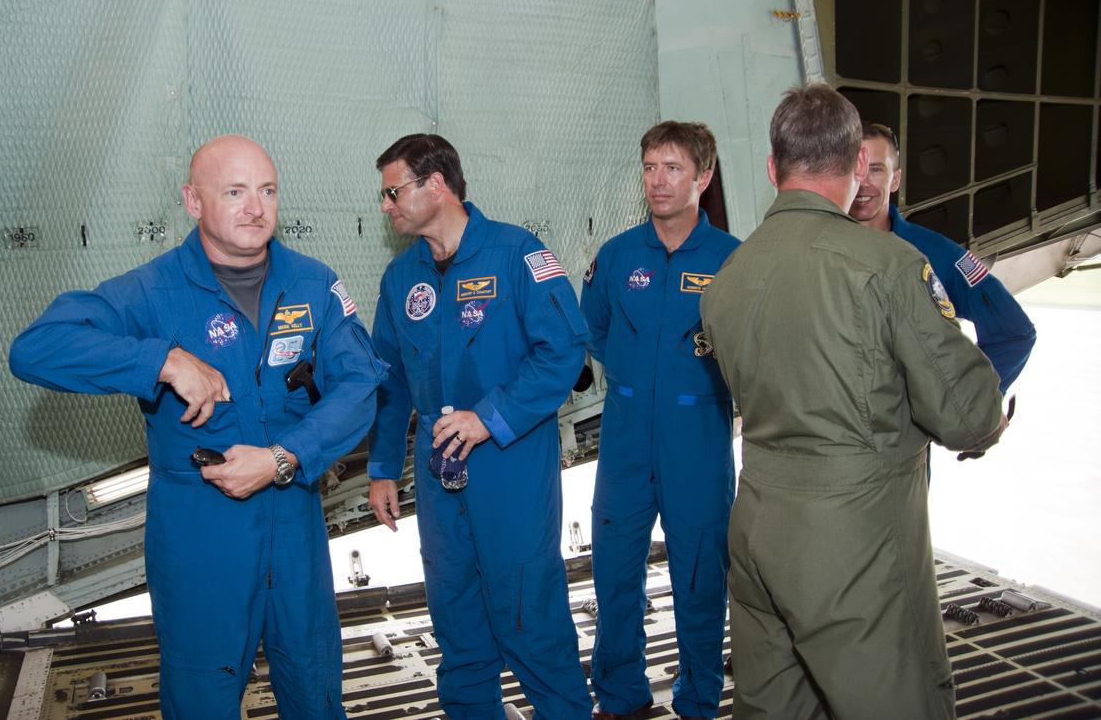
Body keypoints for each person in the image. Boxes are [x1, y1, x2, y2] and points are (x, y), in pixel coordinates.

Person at [10, 135, 384, 720]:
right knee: (202, 699)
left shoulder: (313, 284)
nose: (255, 208)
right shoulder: (150, 293)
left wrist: (284, 456)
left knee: (315, 690)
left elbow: (360, 385)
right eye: (234, 192)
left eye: (267, 191)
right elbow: (35, 349)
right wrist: (162, 360)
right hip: (200, 540)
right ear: (193, 200)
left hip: (294, 533)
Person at [700, 84, 1008, 719]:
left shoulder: (730, 275)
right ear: (855, 167)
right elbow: (966, 414)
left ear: (771, 167)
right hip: (854, 544)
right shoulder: (887, 265)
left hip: (757, 525)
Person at [365, 134, 593, 719]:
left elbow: (564, 350)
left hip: (509, 467)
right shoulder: (401, 280)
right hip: (440, 480)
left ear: (435, 185)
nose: (385, 205)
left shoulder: (517, 255)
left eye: (394, 192)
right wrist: (383, 468)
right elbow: (387, 383)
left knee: (528, 614)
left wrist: (490, 418)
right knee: (457, 620)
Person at [580, 122, 739, 720]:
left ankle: (699, 699)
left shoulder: (732, 260)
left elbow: (750, 347)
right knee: (615, 570)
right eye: (649, 167)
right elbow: (590, 327)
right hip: (625, 438)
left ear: (703, 177)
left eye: (673, 168)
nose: (658, 181)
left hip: (696, 439)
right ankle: (621, 695)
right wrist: (630, 372)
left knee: (700, 575)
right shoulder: (619, 256)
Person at [851, 122, 1036, 393]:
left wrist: (970, 406)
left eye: (876, 169)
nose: (863, 181)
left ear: (895, 179)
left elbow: (1014, 333)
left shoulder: (936, 254)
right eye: (854, 169)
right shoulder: (811, 249)